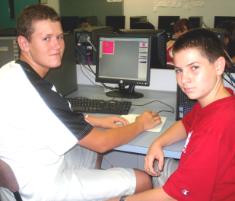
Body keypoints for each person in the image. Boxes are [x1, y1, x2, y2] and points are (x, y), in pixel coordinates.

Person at [0, 4, 161, 201]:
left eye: (59, 37)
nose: (57, 45)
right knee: (142, 179)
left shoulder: (10, 71)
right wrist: (141, 124)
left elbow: (54, 115)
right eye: (46, 38)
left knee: (88, 150)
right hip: (43, 190)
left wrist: (97, 120)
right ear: (24, 44)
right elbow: (102, 143)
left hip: (19, 178)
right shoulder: (37, 92)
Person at [109, 28, 235, 201]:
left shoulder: (214, 129)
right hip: (203, 185)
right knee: (163, 167)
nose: (184, 79)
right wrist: (158, 143)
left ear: (219, 66)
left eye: (194, 68)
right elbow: (186, 124)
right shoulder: (217, 99)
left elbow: (173, 196)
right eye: (178, 70)